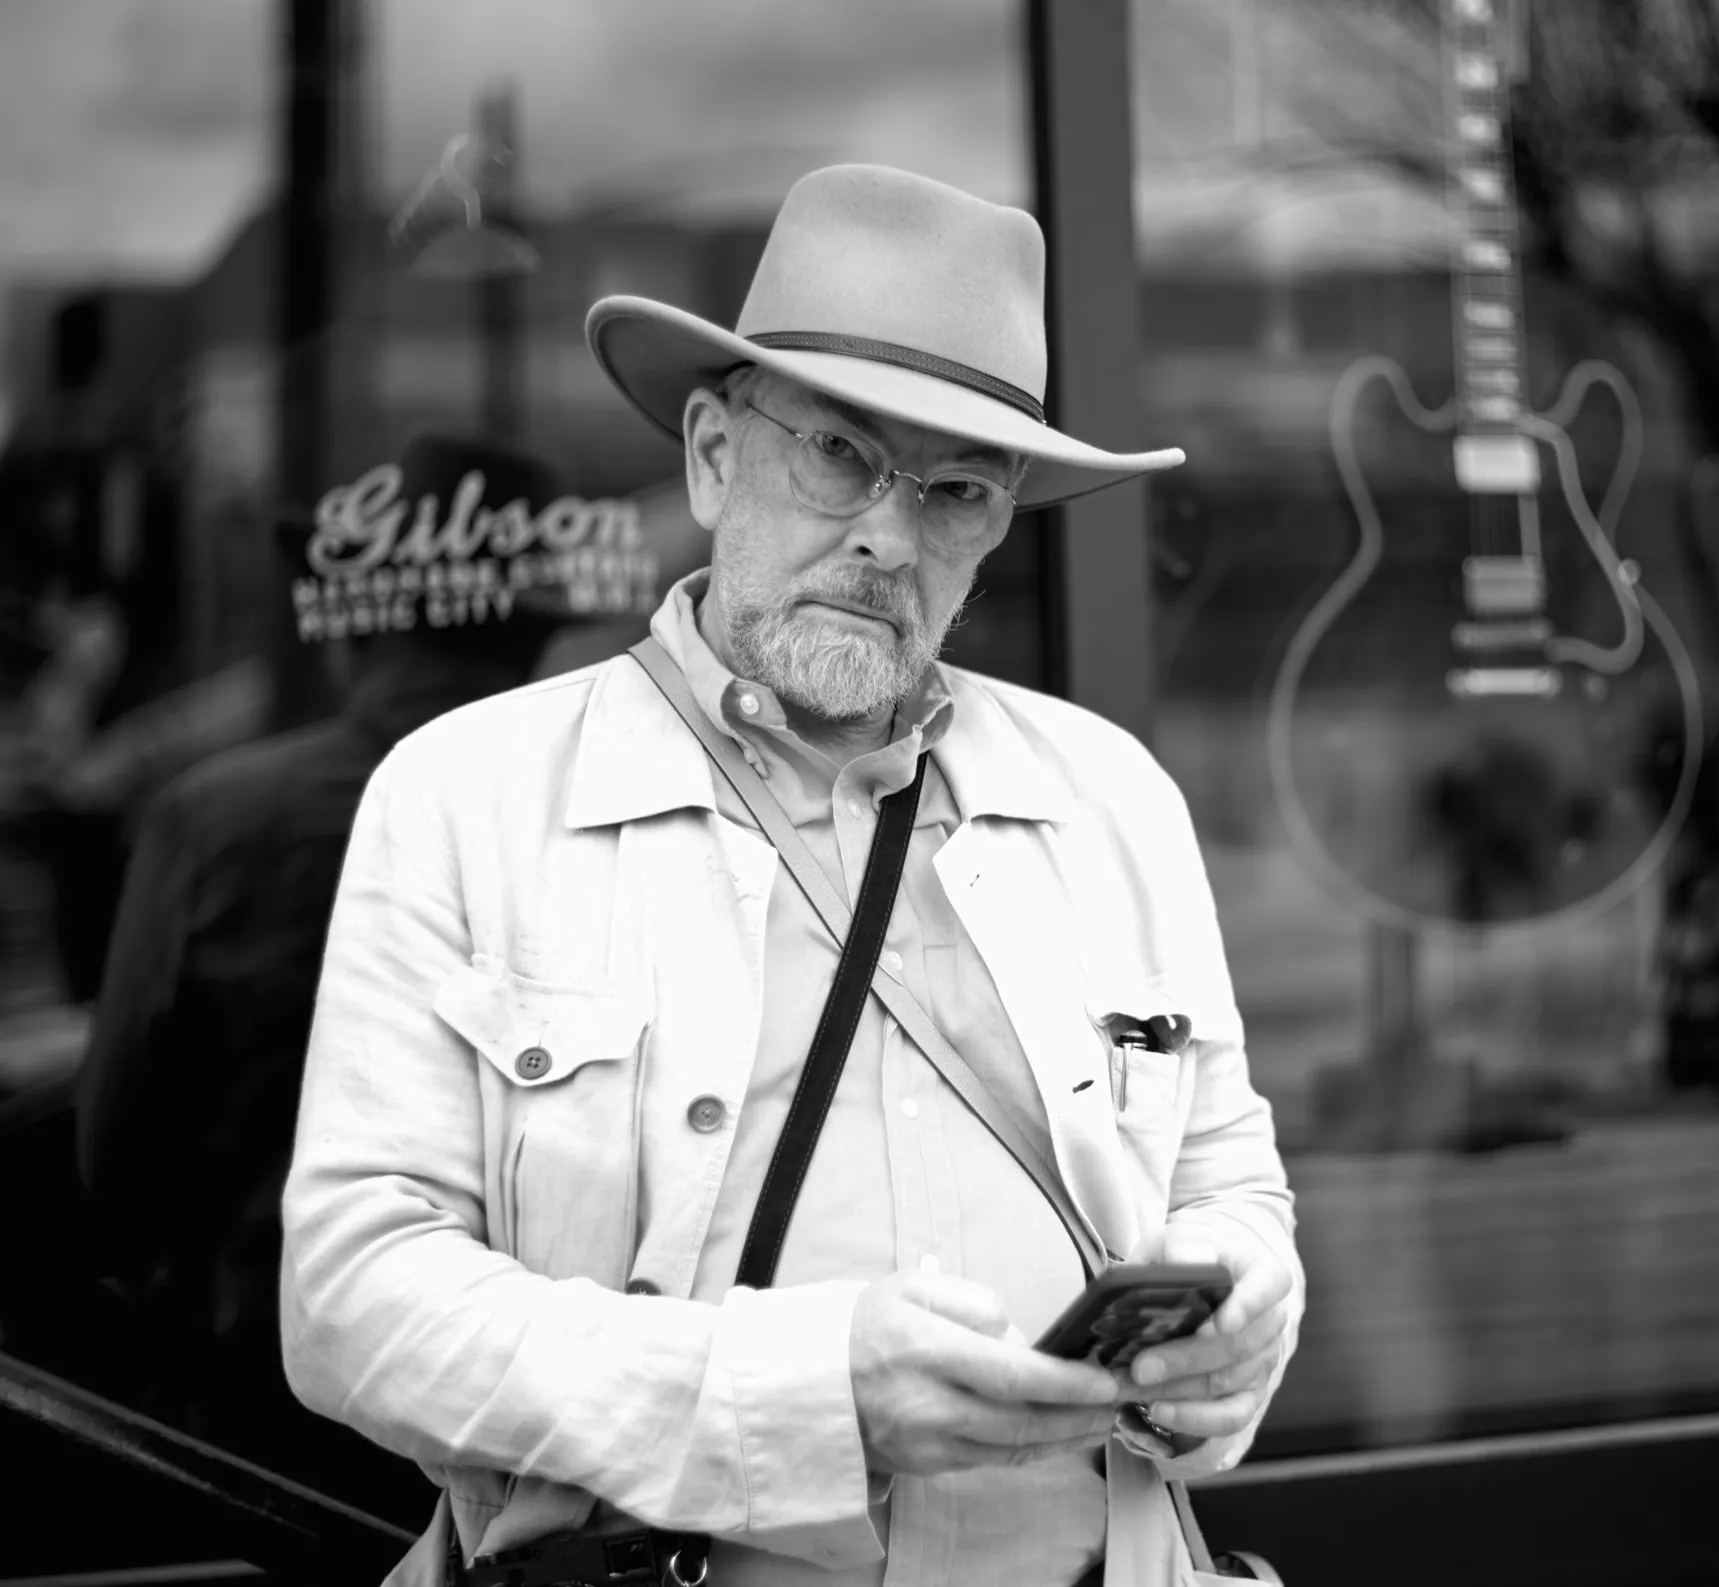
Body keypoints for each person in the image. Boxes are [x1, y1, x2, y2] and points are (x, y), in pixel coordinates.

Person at [279, 164, 1301, 1587]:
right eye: (839, 455)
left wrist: (1242, 1316)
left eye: (955, 489)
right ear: (710, 454)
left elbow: (1227, 1178)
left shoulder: (1112, 793)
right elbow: (352, 1301)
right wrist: (804, 1396)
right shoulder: (470, 795)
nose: (891, 533)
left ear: (1000, 525)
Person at [75, 436, 652, 1515]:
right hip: (544, 1429)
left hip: (256, 1422)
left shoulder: (216, 821)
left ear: (352, 625)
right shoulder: (637, 826)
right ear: (532, 635)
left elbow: (119, 1164)